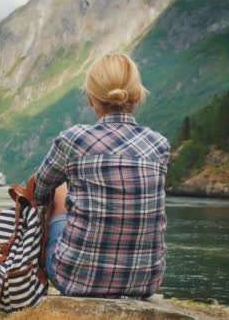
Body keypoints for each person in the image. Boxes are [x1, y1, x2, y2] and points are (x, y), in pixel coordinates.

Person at [34, 53, 170, 298]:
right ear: (137, 96)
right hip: (145, 282)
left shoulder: (72, 139)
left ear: (90, 99)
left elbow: (38, 192)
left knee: (58, 190)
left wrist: (65, 195)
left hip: (75, 279)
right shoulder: (159, 145)